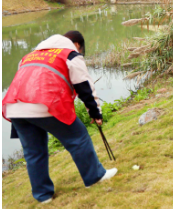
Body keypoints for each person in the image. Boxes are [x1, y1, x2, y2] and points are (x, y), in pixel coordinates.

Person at [1, 31, 117, 204]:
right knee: (78, 138)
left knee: (34, 152)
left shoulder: (29, 56)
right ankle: (95, 177)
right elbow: (84, 86)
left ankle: (43, 196)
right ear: (77, 44)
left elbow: (21, 84)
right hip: (45, 104)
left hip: (15, 107)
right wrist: (95, 112)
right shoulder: (70, 55)